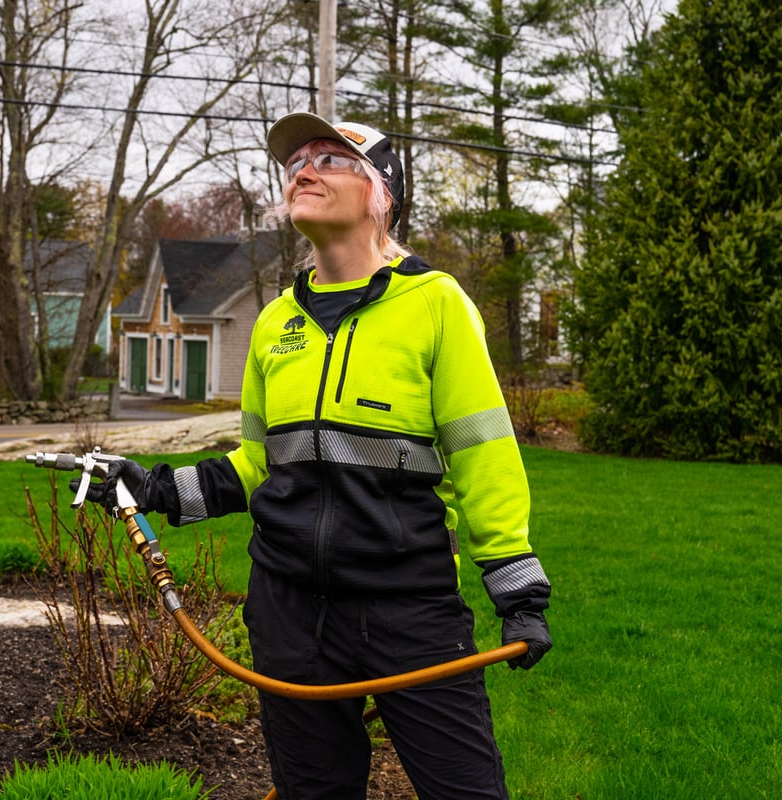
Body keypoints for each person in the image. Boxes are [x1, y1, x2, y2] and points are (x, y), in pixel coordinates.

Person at [78, 111, 552, 800]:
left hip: (409, 608)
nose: (303, 169)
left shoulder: (437, 305)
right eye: (297, 160)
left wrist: (518, 590)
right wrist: (145, 487)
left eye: (330, 159)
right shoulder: (276, 323)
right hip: (289, 614)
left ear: (381, 192)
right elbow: (256, 466)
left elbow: (484, 455)